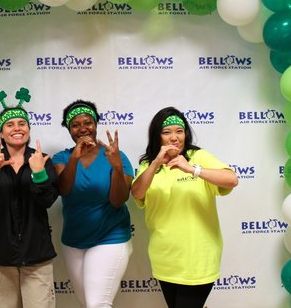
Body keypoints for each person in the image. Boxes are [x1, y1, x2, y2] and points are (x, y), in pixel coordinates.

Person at [131, 106, 238, 308]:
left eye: (179, 131)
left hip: (198, 256)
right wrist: (156, 163)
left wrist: (191, 169)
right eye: (166, 132)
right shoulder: (149, 164)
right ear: (157, 136)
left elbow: (231, 180)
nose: (174, 138)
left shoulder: (198, 156)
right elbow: (137, 193)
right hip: (165, 257)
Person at [0, 88, 59, 308]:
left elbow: (48, 200)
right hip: (0, 256)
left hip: (37, 256)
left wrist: (39, 173)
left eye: (22, 124)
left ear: (29, 130)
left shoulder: (41, 160)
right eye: (10, 125)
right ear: (1, 133)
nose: (16, 129)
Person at [52, 99, 134, 308]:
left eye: (87, 122)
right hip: (73, 241)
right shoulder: (61, 158)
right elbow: (64, 189)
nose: (82, 129)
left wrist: (116, 167)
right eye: (75, 124)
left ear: (96, 124)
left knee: (97, 303)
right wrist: (75, 158)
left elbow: (118, 200)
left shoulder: (117, 156)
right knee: (86, 302)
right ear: (69, 129)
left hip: (110, 237)